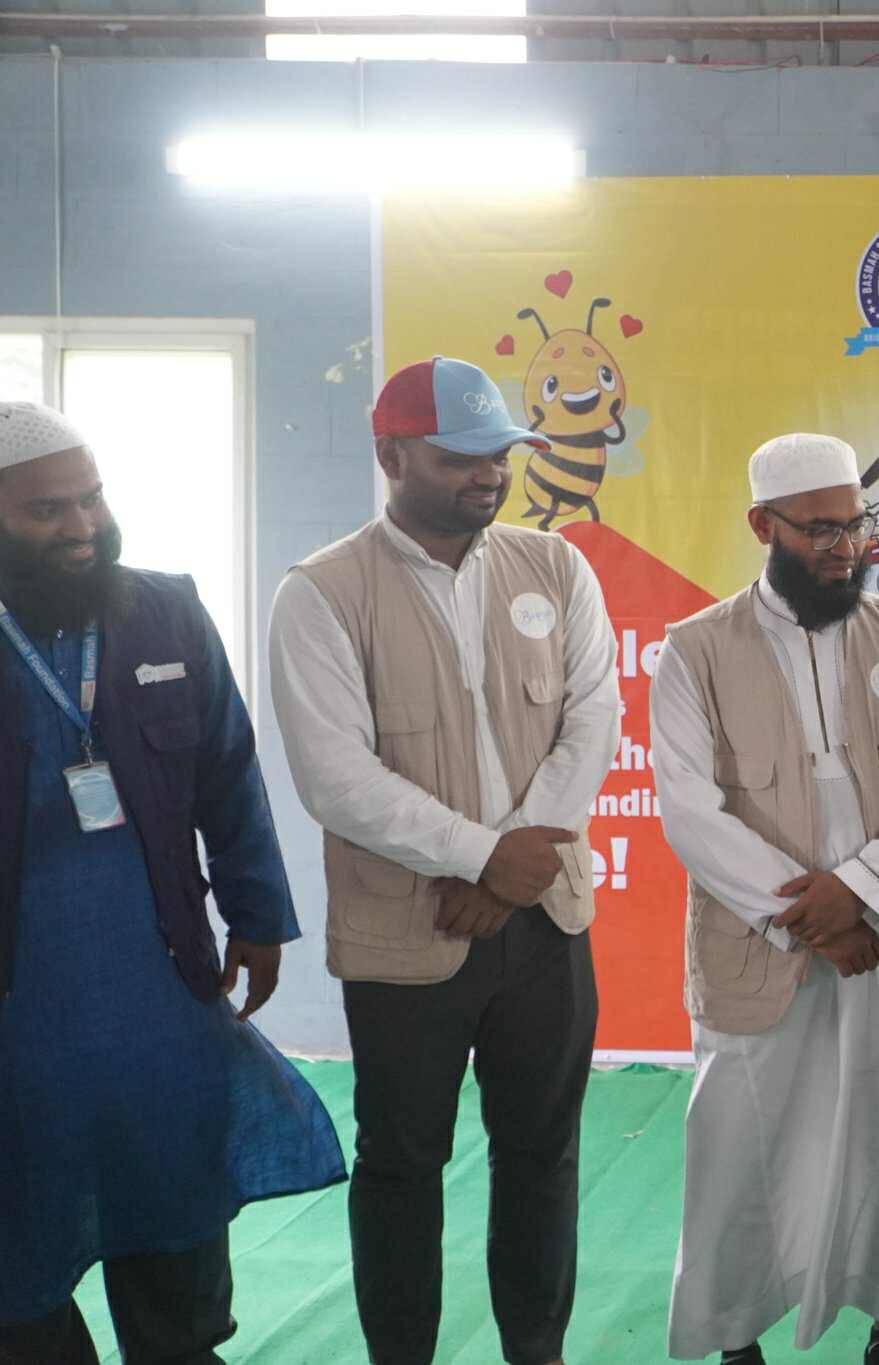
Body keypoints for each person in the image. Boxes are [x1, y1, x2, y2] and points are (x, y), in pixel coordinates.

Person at [268, 356, 620, 1365]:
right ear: (390, 457)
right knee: (401, 1164)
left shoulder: (556, 568)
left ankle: (536, 1351)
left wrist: (513, 869)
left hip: (545, 926)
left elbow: (593, 718)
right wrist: (480, 858)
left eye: (499, 454)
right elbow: (337, 777)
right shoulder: (323, 592)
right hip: (405, 933)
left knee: (542, 1155)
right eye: (459, 457)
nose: (488, 474)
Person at [0, 402, 344, 1365]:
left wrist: (259, 915)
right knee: (18, 1278)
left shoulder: (166, 610)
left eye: (91, 498)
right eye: (46, 510)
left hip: (161, 998)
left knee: (177, 1248)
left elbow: (230, 772)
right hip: (21, 1020)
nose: (80, 526)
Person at [649, 433, 879, 1365]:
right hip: (762, 951)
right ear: (764, 526)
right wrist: (812, 918)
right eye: (822, 530)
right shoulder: (697, 649)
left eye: (856, 526)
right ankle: (735, 1339)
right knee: (741, 1147)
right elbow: (689, 809)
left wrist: (861, 895)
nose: (845, 548)